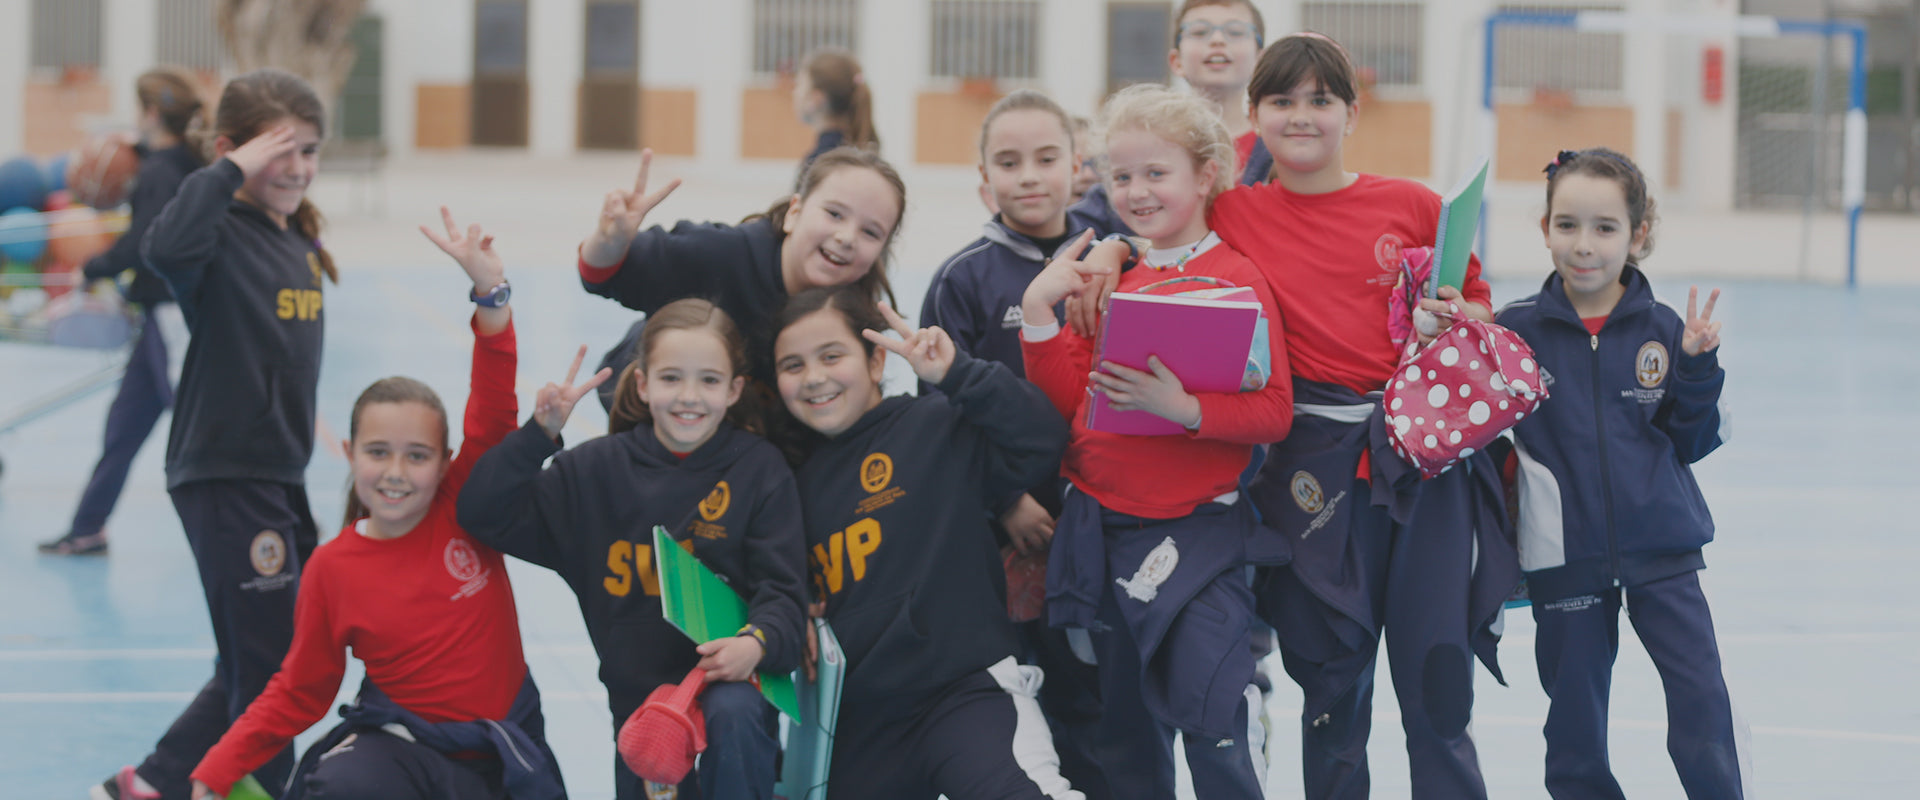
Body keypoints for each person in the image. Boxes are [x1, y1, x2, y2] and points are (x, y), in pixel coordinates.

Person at [1207, 34, 1521, 800]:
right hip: (1310, 469)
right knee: (1331, 682)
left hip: (1422, 464)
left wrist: (1452, 314)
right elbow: (1165, 244)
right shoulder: (1233, 214)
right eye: (1282, 100)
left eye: (1321, 100)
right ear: (1254, 116)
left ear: (1352, 112)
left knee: (1436, 677)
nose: (1302, 116)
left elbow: (1477, 301)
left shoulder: (1412, 205)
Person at [184, 210, 565, 800]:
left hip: (500, 753)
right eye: (379, 452)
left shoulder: (462, 506)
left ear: (445, 462)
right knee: (339, 785)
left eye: (417, 456)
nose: (395, 472)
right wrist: (215, 771)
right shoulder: (332, 569)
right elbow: (300, 689)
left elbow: (492, 405)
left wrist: (491, 293)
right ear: (349, 452)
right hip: (402, 752)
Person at [1020, 83, 1291, 800]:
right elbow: (1067, 407)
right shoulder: (1112, 275)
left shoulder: (1238, 281)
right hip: (1103, 534)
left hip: (1202, 537)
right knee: (1128, 738)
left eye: (1156, 173)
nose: (1136, 191)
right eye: (1121, 175)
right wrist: (1038, 314)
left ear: (1205, 175)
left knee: (1214, 720)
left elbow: (1273, 413)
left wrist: (1187, 408)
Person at [93, 68, 338, 800]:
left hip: (278, 472)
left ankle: (157, 780)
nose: (296, 168)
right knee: (271, 670)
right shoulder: (216, 235)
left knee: (262, 655)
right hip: (227, 472)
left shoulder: (291, 234)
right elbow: (161, 249)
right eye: (279, 153)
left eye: (309, 152)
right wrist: (230, 169)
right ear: (234, 151)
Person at [459, 298, 808, 800]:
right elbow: (483, 512)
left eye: (709, 380)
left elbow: (785, 594)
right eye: (671, 378)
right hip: (642, 720)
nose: (689, 396)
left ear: (733, 391)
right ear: (642, 384)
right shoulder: (593, 474)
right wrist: (539, 434)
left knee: (732, 710)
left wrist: (754, 643)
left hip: (736, 701)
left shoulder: (760, 471)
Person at [1495, 147, 1746, 799]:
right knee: (1575, 721)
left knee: (1700, 700)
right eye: (1567, 225)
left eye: (1605, 228)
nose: (1584, 245)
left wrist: (1695, 368)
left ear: (1636, 236)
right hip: (1565, 556)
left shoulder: (1664, 329)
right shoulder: (1512, 332)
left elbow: (1691, 441)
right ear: (1545, 228)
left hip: (1663, 549)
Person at [770, 286, 1080, 800]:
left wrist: (957, 375)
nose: (815, 377)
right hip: (860, 724)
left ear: (874, 361)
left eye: (831, 356)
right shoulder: (789, 488)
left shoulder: (936, 425)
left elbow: (1042, 439)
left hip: (964, 695)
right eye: (793, 365)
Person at [915, 88, 1110, 797]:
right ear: (983, 180)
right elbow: (934, 418)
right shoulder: (961, 280)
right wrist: (1006, 502)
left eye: (1046, 158)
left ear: (1077, 166)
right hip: (999, 537)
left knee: (1095, 709)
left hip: (1098, 523)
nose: (1029, 175)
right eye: (1009, 161)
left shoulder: (1113, 259)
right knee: (1014, 706)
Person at [579, 147, 905, 410]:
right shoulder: (722, 255)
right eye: (834, 214)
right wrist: (610, 242)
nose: (847, 237)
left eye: (870, 232)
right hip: (652, 420)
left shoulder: (855, 316)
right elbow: (605, 275)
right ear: (795, 212)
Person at [39, 67, 206, 556]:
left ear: (151, 113)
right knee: (125, 426)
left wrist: (92, 266)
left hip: (173, 316)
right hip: (157, 317)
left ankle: (267, 518)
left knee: (200, 430)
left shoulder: (158, 172)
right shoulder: (178, 163)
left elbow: (142, 245)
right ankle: (88, 526)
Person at [793, 48, 878, 185]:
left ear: (816, 98)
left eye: (799, 85)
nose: (795, 93)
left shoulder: (821, 164)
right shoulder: (858, 154)